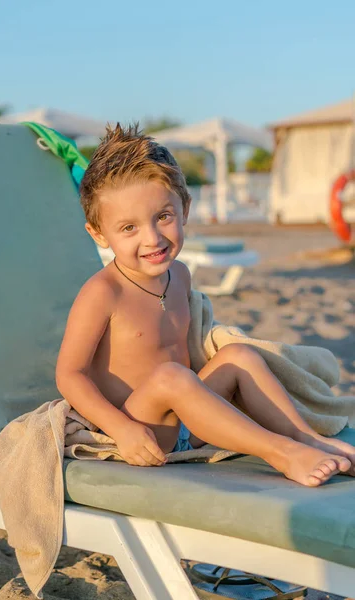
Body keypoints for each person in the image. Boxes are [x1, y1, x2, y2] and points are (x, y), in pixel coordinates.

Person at [56, 123, 355, 487]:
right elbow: (70, 374)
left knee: (240, 355)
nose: (152, 238)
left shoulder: (179, 275)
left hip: (195, 420)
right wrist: (121, 429)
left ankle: (306, 437)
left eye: (163, 217)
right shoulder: (103, 292)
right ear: (99, 233)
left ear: (185, 208)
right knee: (170, 376)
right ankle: (280, 451)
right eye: (129, 228)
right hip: (146, 430)